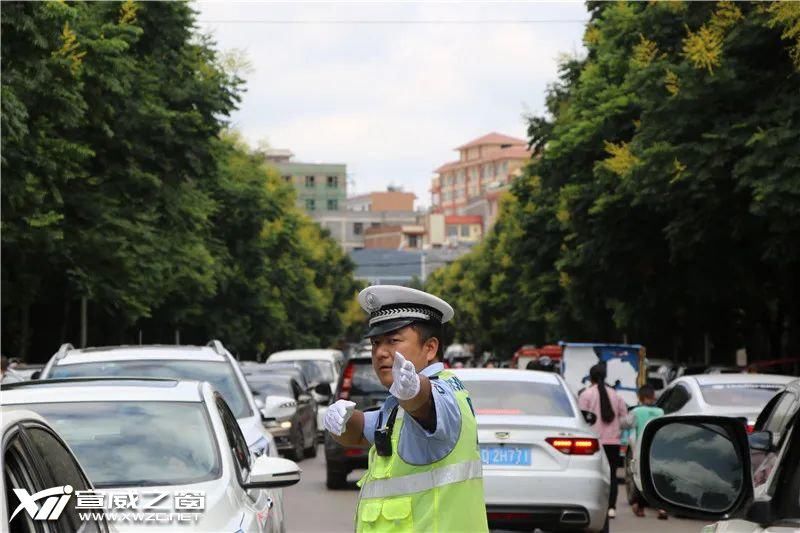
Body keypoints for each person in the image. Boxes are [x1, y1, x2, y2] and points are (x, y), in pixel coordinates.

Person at [323, 285, 488, 532]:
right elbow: (360, 433)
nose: (380, 352)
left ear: (430, 348)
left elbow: (425, 404)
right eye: (376, 343)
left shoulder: (442, 391)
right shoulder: (397, 405)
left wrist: (414, 392)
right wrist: (342, 421)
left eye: (393, 340)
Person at [578, 363, 630, 519]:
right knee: (612, 476)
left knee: (592, 475)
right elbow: (624, 418)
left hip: (593, 443)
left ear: (591, 377)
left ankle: (592, 505)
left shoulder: (586, 395)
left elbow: (582, 419)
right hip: (613, 443)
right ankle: (611, 507)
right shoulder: (616, 395)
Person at [625, 384, 668, 519]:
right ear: (653, 397)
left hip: (640, 449)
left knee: (641, 479)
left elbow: (627, 424)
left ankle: (639, 506)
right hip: (657, 449)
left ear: (640, 397)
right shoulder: (660, 412)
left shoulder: (636, 412)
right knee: (658, 478)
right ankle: (662, 508)